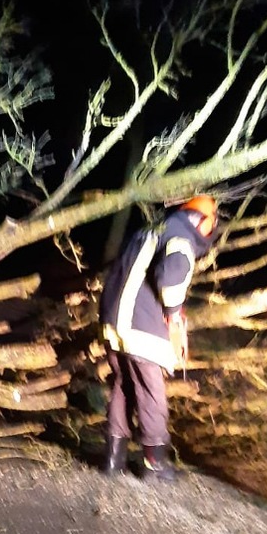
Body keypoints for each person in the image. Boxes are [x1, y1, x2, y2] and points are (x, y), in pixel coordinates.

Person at [98, 194, 218, 481]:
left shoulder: (156, 228)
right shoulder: (180, 239)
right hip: (140, 325)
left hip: (115, 319)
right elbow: (171, 278)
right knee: (152, 393)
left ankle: (114, 460)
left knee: (124, 385)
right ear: (203, 223)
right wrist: (175, 316)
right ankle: (155, 464)